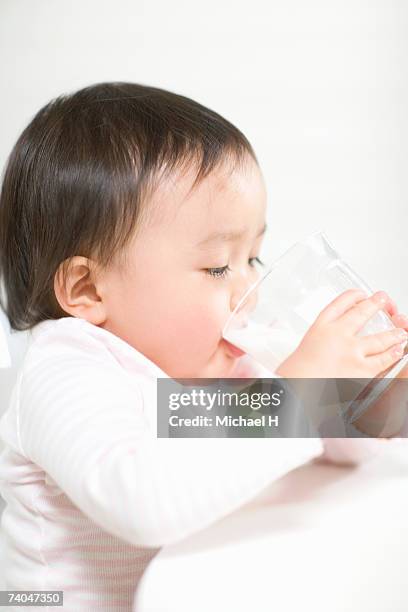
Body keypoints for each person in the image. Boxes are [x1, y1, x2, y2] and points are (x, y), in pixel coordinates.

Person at [0, 82, 407, 610]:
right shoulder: (63, 372)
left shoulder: (197, 361)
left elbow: (319, 448)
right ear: (87, 289)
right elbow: (139, 498)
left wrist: (367, 400)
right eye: (218, 266)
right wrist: (297, 397)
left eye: (254, 258)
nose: (247, 291)